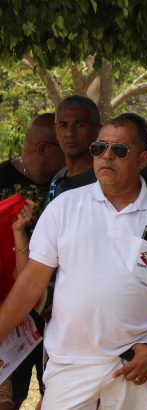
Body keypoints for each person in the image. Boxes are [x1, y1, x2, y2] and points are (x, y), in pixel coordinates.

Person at [0, 113, 147, 409]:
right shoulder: (63, 207)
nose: (107, 156)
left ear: (143, 159)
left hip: (133, 365)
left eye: (119, 150)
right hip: (70, 364)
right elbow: (31, 282)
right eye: (99, 148)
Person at [0, 113, 64, 410]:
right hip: (11, 307)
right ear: (44, 149)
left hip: (57, 308)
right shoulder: (2, 180)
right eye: (63, 143)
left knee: (56, 393)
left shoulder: (69, 184)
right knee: (10, 396)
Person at [47, 95, 100, 201]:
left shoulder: (101, 180)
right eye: (63, 125)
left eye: (80, 125)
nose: (70, 133)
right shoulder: (58, 178)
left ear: (96, 130)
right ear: (56, 131)